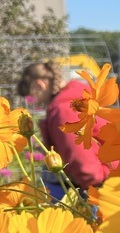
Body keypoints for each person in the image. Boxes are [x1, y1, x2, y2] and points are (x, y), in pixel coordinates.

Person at [16, 60, 110, 193]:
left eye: (32, 95)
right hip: (115, 176)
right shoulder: (78, 97)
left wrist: (92, 195)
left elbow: (84, 164)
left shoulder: (64, 110)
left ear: (40, 85)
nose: (35, 100)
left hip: (104, 186)